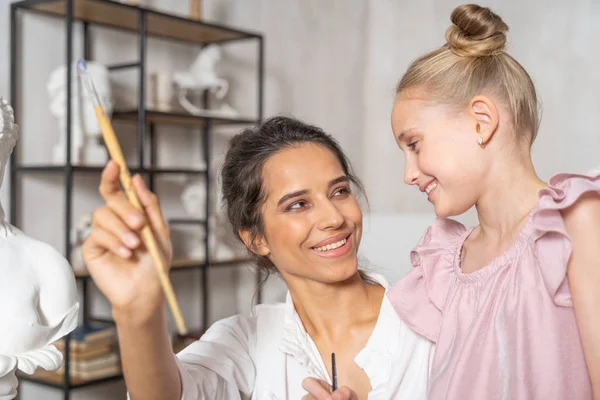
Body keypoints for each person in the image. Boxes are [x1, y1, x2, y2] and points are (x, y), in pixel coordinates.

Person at [81, 116, 434, 400]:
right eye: (298, 204)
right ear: (256, 239)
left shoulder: (433, 320)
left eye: (339, 191)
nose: (334, 218)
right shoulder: (245, 342)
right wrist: (137, 311)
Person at [384, 3, 600, 400]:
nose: (408, 173)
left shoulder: (576, 223)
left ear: (481, 121)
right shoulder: (446, 262)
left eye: (414, 144)